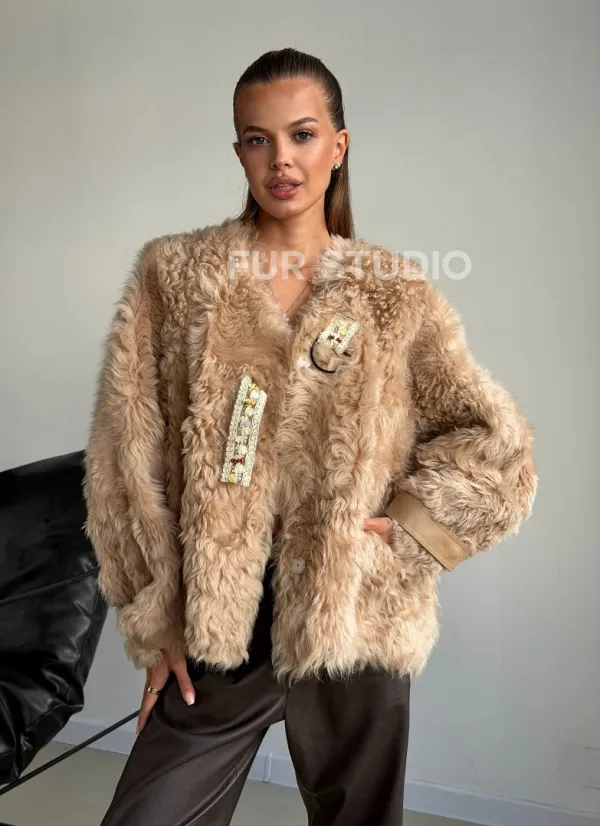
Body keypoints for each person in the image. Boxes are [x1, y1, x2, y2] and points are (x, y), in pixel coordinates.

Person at [83, 47, 537, 826]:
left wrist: (410, 530)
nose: (282, 160)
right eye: (258, 139)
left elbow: (493, 440)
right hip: (220, 620)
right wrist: (156, 622)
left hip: (355, 609)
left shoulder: (393, 292)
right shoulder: (175, 275)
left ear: (338, 144)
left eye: (301, 134)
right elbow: (125, 459)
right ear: (238, 152)